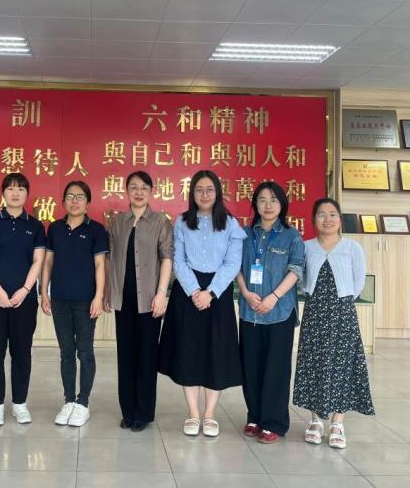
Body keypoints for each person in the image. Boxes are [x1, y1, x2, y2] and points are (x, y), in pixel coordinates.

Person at [158, 170, 244, 438]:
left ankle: (210, 415)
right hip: (188, 292)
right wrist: (195, 290)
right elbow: (178, 260)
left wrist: (211, 292)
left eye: (209, 189)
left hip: (218, 292)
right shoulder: (182, 222)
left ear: (217, 192)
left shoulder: (230, 223)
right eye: (199, 190)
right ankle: (194, 414)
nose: (204, 195)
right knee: (189, 351)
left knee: (216, 352)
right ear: (192, 194)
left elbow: (233, 263)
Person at [293, 197, 375, 449]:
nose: (327, 219)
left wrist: (342, 302)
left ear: (340, 219)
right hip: (315, 312)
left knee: (343, 365)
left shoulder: (352, 248)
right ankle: (316, 420)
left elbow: (358, 282)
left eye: (332, 214)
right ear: (313, 219)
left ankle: (338, 423)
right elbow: (300, 279)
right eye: (321, 214)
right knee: (314, 363)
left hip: (342, 314)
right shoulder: (306, 247)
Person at [237, 181, 305, 444]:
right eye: (262, 199)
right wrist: (245, 292)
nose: (268, 205)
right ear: (255, 203)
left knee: (276, 368)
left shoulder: (291, 236)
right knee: (251, 366)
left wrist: (274, 297)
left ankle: (274, 422)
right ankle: (254, 416)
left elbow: (296, 269)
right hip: (250, 310)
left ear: (282, 204)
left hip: (279, 312)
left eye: (274, 200)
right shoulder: (244, 235)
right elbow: (235, 267)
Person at [105, 171, 173, 432]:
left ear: (151, 191)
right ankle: (128, 411)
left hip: (149, 300)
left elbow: (167, 258)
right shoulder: (118, 222)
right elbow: (110, 259)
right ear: (127, 191)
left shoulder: (160, 221)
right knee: (125, 355)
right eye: (133, 187)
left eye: (144, 187)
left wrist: (161, 293)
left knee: (146, 356)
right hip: (123, 299)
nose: (139, 192)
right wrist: (108, 292)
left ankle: (143, 412)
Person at [0, 173, 46, 426]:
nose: (16, 193)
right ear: (3, 193)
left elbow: (38, 260)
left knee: (22, 352)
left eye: (21, 189)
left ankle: (19, 404)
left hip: (24, 300)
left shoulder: (35, 226)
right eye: (11, 189)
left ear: (27, 193)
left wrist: (25, 290)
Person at [41, 181, 108, 427]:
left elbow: (100, 265)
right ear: (63, 202)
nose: (75, 201)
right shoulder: (55, 228)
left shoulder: (96, 230)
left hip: (86, 301)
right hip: (60, 299)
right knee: (66, 352)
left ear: (88, 202)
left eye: (80, 197)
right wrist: (44, 292)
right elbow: (48, 262)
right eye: (70, 196)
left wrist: (98, 296)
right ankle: (69, 400)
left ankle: (83, 403)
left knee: (85, 352)